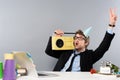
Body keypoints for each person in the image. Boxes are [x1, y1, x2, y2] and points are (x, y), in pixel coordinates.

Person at [45, 8, 117, 72]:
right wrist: (55, 37)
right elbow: (49, 51)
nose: (76, 40)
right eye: (75, 38)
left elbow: (104, 46)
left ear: (86, 43)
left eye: (79, 38)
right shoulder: (66, 52)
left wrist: (111, 25)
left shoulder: (90, 56)